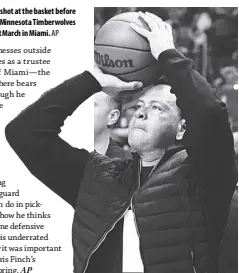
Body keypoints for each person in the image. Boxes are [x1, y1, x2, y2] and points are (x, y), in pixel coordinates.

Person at [5, 11, 236, 273]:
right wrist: (92, 80)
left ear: (182, 128)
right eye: (139, 105)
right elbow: (24, 133)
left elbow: (210, 115)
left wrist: (168, 55)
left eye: (157, 108)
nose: (140, 112)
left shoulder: (203, 176)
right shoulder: (96, 176)